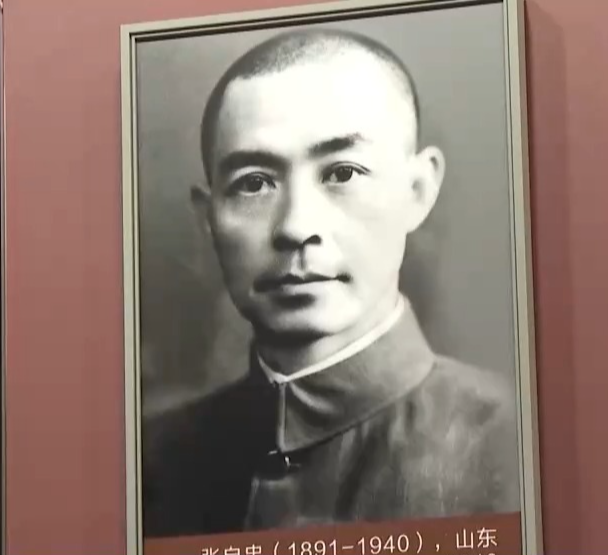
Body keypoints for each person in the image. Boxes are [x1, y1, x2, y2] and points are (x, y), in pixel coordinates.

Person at [143, 27, 520, 538]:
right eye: (254, 183)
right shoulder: (152, 460)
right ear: (207, 218)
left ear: (418, 190)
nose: (296, 227)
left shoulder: (514, 442)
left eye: (342, 173)